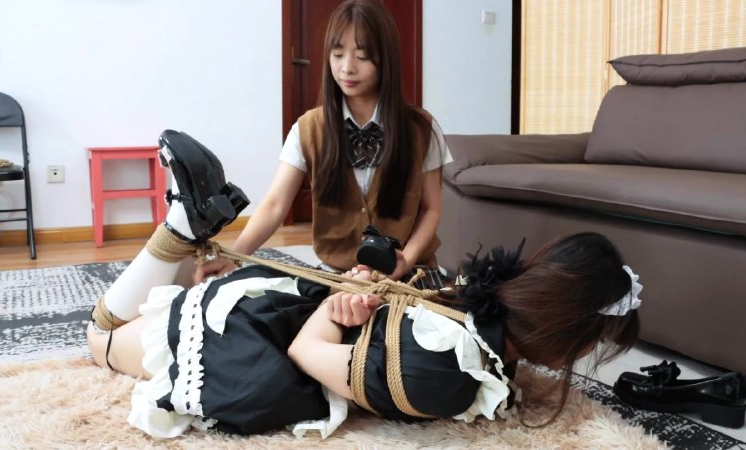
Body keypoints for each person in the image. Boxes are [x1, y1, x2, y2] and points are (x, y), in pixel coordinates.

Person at [87, 133, 641, 439]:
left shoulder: (473, 304)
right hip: (263, 344)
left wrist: (349, 299)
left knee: (114, 327)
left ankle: (182, 231)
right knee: (99, 339)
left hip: (279, 313)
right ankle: (180, 230)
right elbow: (305, 352)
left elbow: (336, 337)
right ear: (571, 339)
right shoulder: (445, 378)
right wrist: (350, 298)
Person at [195, 0, 452, 286]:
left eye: (362, 56)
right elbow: (276, 205)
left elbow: (431, 208)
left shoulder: (421, 128)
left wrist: (406, 259)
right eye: (338, 54)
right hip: (336, 275)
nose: (347, 68)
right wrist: (234, 256)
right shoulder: (308, 128)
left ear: (386, 59)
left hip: (409, 274)